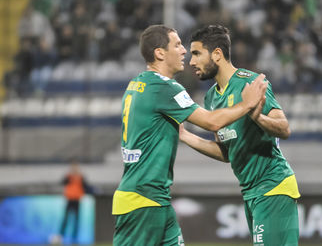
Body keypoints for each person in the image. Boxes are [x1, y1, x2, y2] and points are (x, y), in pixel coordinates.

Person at [112, 24, 267, 246]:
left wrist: (185, 136)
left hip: (155, 199)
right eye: (176, 45)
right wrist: (248, 104)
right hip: (142, 200)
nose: (184, 50)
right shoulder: (164, 87)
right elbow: (212, 122)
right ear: (159, 53)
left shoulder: (138, 83)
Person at [179, 24, 301, 246]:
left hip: (273, 187)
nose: (191, 61)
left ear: (217, 54)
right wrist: (186, 137)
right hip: (252, 192)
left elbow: (284, 128)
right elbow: (226, 153)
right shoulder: (210, 99)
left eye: (196, 53)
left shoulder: (249, 82)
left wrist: (257, 117)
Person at [55, 160, 90, 244]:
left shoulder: (81, 177)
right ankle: (60, 236)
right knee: (66, 219)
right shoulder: (68, 177)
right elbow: (62, 182)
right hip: (69, 199)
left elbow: (86, 186)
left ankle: (74, 238)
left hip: (77, 200)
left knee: (76, 220)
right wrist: (69, 177)